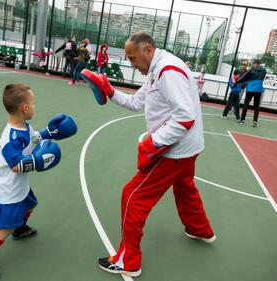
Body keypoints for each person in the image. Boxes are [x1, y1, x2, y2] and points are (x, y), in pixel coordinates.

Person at [80, 32, 215, 277]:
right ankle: (200, 229)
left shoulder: (167, 71)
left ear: (148, 49)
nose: (132, 64)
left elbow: (184, 117)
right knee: (185, 186)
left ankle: (128, 261)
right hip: (189, 149)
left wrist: (152, 143)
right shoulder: (156, 69)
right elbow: (135, 102)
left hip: (174, 151)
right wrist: (109, 91)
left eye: (133, 58)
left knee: (133, 195)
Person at [0, 83, 77, 280]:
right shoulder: (10, 137)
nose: (35, 106)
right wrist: (37, 161)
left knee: (31, 204)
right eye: (33, 103)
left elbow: (34, 138)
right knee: (5, 228)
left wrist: (50, 133)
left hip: (20, 185)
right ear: (25, 108)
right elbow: (15, 165)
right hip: (10, 187)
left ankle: (19, 229)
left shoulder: (24, 127)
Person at [236, 59, 267, 127]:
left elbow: (244, 77)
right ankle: (255, 121)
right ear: (259, 64)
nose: (253, 65)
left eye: (253, 64)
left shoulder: (251, 70)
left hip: (250, 89)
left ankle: (242, 120)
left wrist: (237, 81)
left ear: (255, 64)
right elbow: (262, 77)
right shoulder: (264, 70)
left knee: (246, 104)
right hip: (258, 89)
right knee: (256, 106)